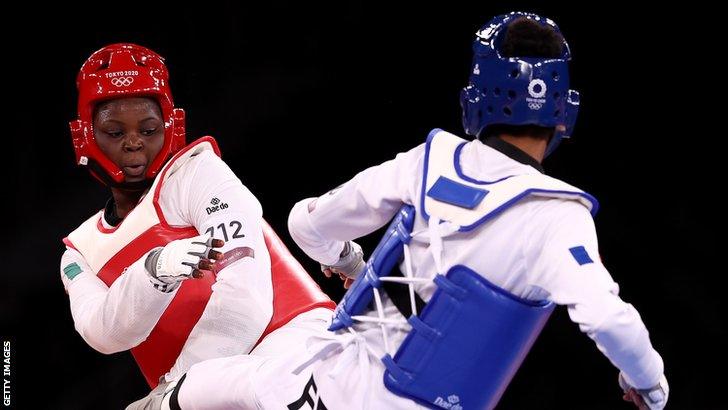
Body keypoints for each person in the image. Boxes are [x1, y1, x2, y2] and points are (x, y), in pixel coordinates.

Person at [144, 12, 668, 410]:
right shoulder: (558, 216)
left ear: (476, 97)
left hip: (328, 390)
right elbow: (608, 319)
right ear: (562, 113)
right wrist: (648, 384)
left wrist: (350, 262)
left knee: (203, 385)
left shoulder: (428, 163)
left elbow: (307, 223)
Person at [59, 43, 335, 403]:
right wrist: (153, 271)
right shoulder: (79, 252)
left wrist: (173, 392)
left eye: (148, 129)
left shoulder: (197, 174)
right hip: (203, 391)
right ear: (85, 137)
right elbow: (105, 334)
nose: (133, 143)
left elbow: (245, 299)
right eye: (115, 132)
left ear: (170, 128)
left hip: (296, 344)